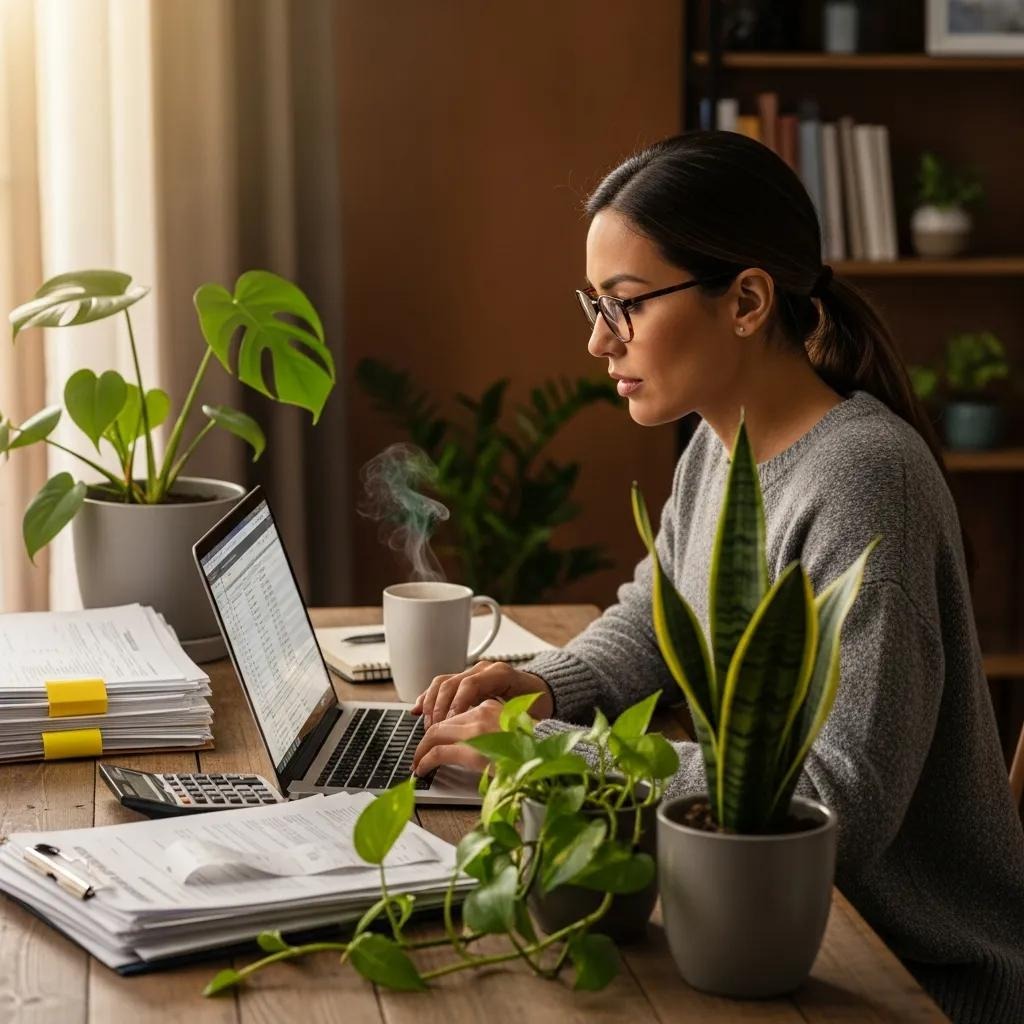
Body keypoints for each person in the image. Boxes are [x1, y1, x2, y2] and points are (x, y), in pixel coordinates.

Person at [409, 132, 1024, 1024]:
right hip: (778, 934)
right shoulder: (717, 440)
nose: (595, 340)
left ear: (745, 299)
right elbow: (660, 611)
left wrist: (555, 755)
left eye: (624, 305)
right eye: (592, 303)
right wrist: (547, 688)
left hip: (912, 976)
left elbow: (831, 807)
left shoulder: (863, 480)